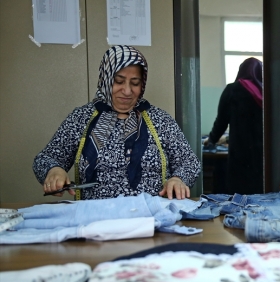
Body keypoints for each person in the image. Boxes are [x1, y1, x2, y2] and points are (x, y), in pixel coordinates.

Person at [33, 45, 200, 200]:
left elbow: (189, 162)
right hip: (96, 218)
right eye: (118, 81)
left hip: (150, 216)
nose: (127, 91)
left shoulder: (160, 120)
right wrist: (54, 170)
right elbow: (45, 158)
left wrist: (178, 179)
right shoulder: (81, 118)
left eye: (135, 83)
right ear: (105, 79)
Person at [204, 57, 264, 194]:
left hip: (240, 152)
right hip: (262, 154)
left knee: (238, 192)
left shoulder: (232, 90)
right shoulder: (265, 92)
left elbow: (221, 122)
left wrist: (212, 140)